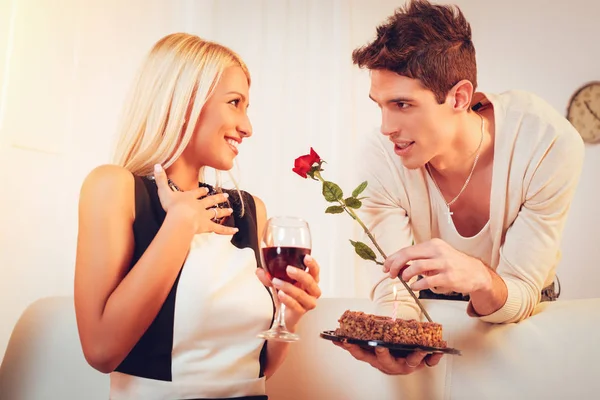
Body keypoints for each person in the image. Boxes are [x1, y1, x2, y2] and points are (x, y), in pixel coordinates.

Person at [335, 0, 584, 375]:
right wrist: (398, 344)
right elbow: (395, 292)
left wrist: (480, 277)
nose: (386, 127)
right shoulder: (379, 155)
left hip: (522, 319)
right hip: (429, 307)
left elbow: (522, 291)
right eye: (380, 105)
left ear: (459, 97)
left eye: (402, 104)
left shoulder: (546, 143)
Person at [74, 33, 322, 399]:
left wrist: (289, 313)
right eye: (235, 103)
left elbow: (258, 367)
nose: (247, 127)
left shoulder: (250, 209)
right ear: (185, 102)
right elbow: (101, 351)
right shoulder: (114, 187)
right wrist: (179, 226)